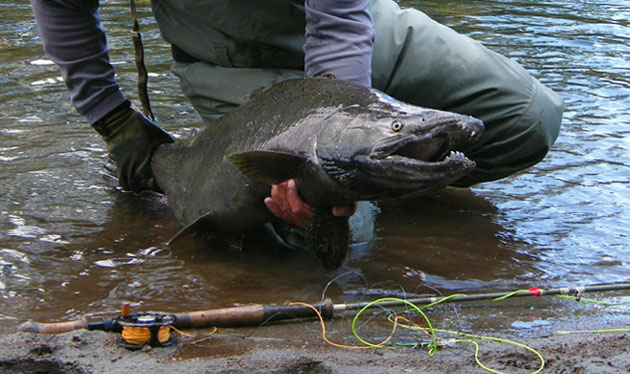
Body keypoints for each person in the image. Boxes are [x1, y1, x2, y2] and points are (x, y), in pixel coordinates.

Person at [30, 0, 562, 237]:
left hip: (352, 28)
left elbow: (337, 24)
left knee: (527, 119)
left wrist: (340, 138)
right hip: (231, 60)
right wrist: (113, 121)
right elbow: (61, 3)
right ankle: (368, 192)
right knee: (316, 231)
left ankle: (389, 176)